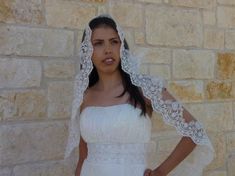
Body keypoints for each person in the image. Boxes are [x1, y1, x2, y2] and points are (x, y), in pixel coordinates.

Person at [65, 14, 214, 176]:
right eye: (98, 43)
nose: (108, 50)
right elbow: (83, 156)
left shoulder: (144, 88)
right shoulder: (84, 96)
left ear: (122, 47)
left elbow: (195, 131)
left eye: (114, 42)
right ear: (88, 51)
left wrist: (161, 171)